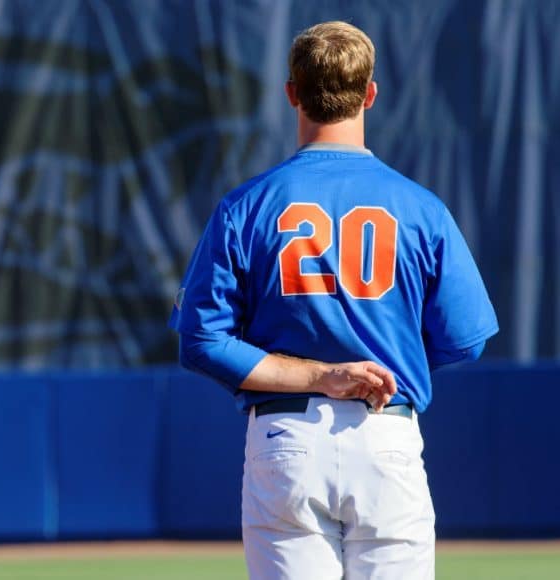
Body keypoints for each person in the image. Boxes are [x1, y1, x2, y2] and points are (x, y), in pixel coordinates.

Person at [169, 21, 498, 579]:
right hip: (384, 434)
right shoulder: (421, 208)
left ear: (292, 92)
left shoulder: (245, 207)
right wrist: (382, 364)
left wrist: (320, 375)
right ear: (370, 93)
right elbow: (464, 342)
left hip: (285, 440)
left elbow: (201, 341)